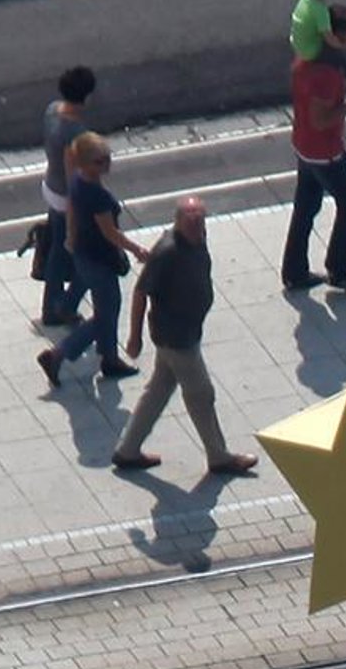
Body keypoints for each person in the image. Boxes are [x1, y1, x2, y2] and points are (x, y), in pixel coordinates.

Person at [110, 199, 258, 476]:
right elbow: (141, 292)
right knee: (201, 394)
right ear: (178, 223)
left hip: (184, 332)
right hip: (176, 337)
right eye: (192, 225)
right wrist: (134, 337)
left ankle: (127, 450)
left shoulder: (197, 239)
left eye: (200, 223)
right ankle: (218, 456)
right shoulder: (167, 253)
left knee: (159, 389)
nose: (197, 230)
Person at [38, 135, 149, 388]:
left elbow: (73, 211)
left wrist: (71, 237)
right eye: (99, 161)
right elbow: (110, 232)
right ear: (85, 163)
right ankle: (58, 355)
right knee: (106, 314)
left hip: (84, 254)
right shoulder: (97, 195)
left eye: (107, 158)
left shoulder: (77, 181)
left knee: (106, 310)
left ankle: (109, 358)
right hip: (100, 259)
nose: (106, 164)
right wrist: (137, 249)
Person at [281, 18, 346, 295]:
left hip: (303, 144)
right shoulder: (326, 76)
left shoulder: (305, 60)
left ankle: (294, 272)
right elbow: (321, 120)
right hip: (325, 152)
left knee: (306, 207)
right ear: (336, 36)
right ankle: (340, 271)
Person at [35, 66, 96, 329]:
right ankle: (55, 309)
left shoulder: (52, 110)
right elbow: (75, 178)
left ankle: (54, 305)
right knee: (66, 251)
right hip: (65, 195)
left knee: (56, 249)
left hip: (50, 184)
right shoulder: (76, 133)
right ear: (87, 96)